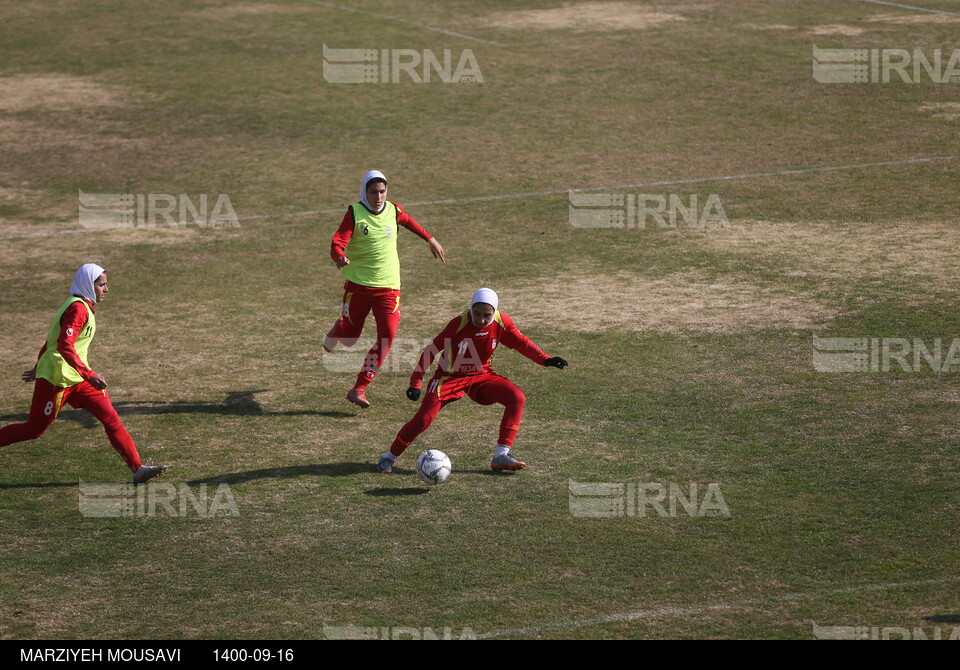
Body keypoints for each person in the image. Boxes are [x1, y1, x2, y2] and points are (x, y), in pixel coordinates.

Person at [0, 264, 168, 484]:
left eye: (106, 284)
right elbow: (63, 345)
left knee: (111, 419)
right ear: (89, 285)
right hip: (57, 380)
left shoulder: (83, 305)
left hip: (78, 378)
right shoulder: (78, 309)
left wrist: (39, 364)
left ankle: (137, 469)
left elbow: (52, 339)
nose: (106, 289)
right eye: (102, 284)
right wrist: (87, 374)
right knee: (34, 430)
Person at [378, 288, 568, 473]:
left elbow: (521, 342)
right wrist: (415, 383)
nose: (481, 319)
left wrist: (545, 359)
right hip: (448, 377)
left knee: (516, 397)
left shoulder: (502, 322)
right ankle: (389, 457)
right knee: (424, 419)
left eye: (487, 315)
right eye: (476, 314)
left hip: (481, 376)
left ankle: (501, 456)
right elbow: (431, 351)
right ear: (470, 309)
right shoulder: (459, 323)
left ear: (495, 311)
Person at [324, 170, 446, 409]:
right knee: (350, 339)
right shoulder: (355, 213)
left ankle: (359, 388)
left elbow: (409, 222)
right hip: (358, 286)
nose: (378, 197)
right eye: (373, 192)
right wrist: (339, 257)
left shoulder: (394, 210)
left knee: (387, 337)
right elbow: (337, 243)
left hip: (389, 288)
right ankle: (340, 327)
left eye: (382, 191)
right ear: (364, 192)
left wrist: (430, 239)